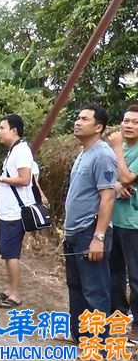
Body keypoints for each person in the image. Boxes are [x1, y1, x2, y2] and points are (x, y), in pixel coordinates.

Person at [63, 104, 117, 343]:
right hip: (74, 232)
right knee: (76, 287)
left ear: (98, 127)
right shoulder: (85, 152)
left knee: (95, 290)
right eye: (77, 117)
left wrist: (99, 237)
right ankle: (80, 335)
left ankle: (98, 342)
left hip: (90, 231)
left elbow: (108, 196)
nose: (77, 121)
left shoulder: (104, 155)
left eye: (84, 118)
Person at [0, 114, 35, 309]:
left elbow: (25, 179)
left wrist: (1, 178)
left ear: (14, 130)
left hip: (15, 213)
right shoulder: (13, 151)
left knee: (12, 254)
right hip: (6, 212)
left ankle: (15, 294)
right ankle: (10, 289)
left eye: (2, 128)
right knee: (6, 253)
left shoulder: (21, 150)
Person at [106, 105, 138, 343]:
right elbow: (113, 179)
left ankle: (137, 326)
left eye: (135, 122)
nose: (128, 125)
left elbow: (127, 177)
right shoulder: (123, 150)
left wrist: (116, 147)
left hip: (133, 223)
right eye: (126, 120)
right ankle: (118, 315)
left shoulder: (127, 150)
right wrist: (116, 186)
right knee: (114, 272)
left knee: (135, 276)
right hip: (114, 220)